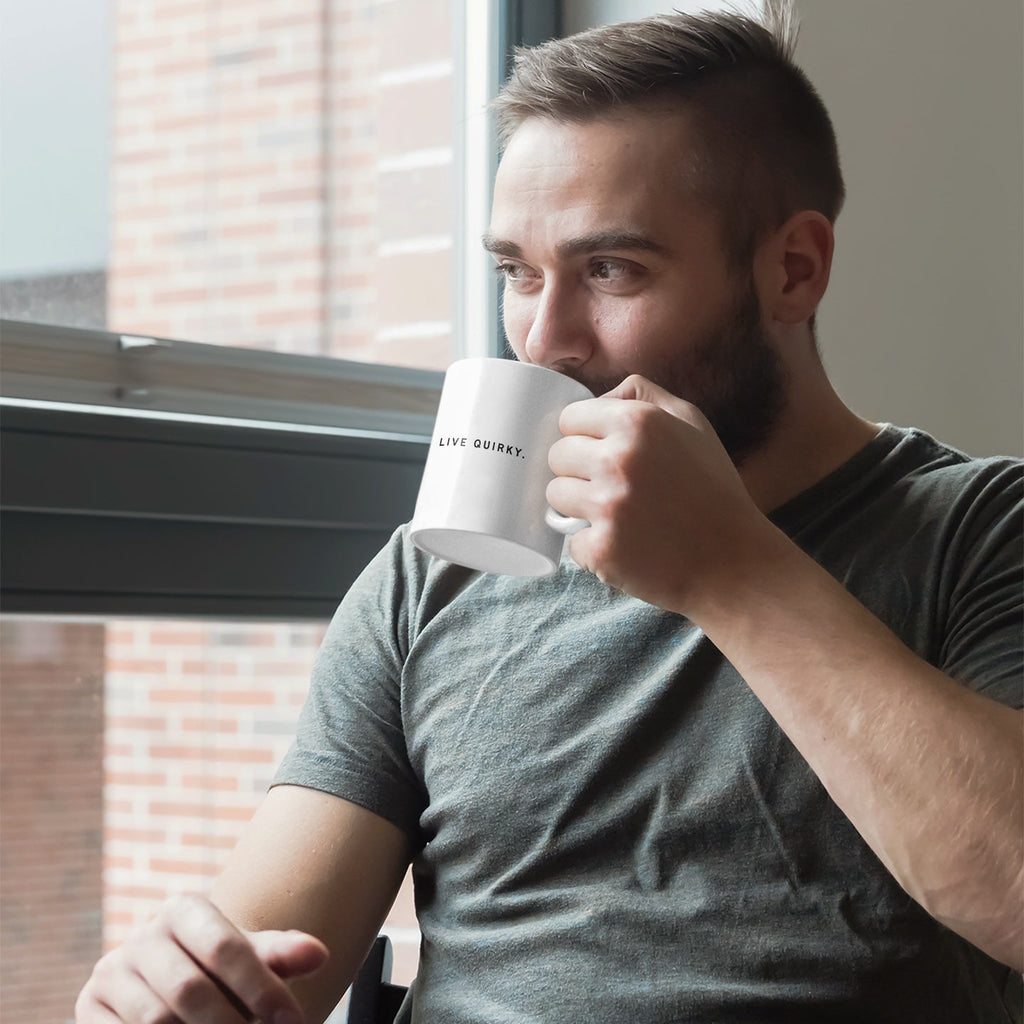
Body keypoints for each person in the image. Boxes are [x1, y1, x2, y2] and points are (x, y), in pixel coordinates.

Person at [76, 4, 1022, 1022]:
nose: (543, 340)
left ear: (792, 268)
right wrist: (170, 991)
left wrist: (732, 572)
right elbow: (264, 966)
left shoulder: (979, 531)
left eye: (611, 269)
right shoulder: (429, 574)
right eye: (517, 274)